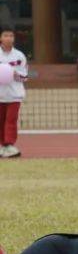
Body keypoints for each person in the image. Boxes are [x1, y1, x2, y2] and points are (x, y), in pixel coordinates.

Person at [0, 26, 27, 158]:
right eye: (5, 36)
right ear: (1, 38)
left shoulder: (19, 56)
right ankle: (2, 146)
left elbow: (25, 76)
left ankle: (9, 145)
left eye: (11, 36)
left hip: (14, 95)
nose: (8, 38)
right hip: (0, 95)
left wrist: (14, 73)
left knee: (11, 120)